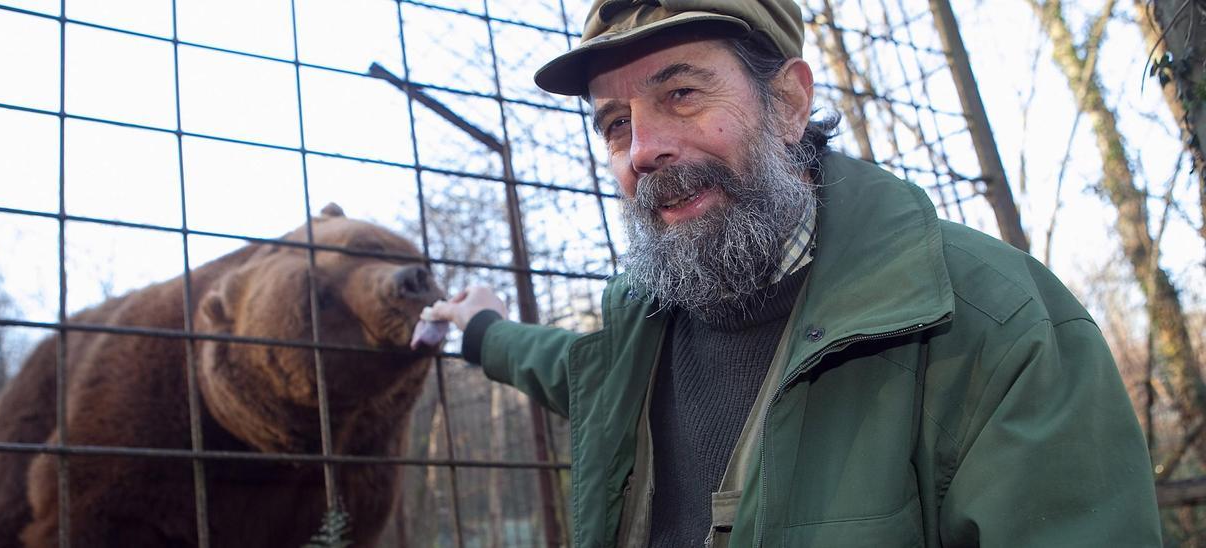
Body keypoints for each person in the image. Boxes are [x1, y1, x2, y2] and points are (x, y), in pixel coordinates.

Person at [424, 0, 1162, 545]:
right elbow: (574, 370)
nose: (643, 147)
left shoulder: (994, 326)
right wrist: (480, 329)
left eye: (681, 93)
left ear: (787, 102)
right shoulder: (638, 324)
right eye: (616, 122)